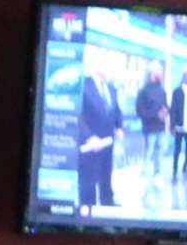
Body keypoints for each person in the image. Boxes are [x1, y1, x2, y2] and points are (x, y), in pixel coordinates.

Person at [73, 56, 124, 210]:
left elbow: (116, 110)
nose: (109, 70)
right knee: (88, 178)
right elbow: (76, 114)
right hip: (90, 144)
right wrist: (88, 137)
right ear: (96, 67)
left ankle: (107, 201)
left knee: (106, 173)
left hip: (108, 141)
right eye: (107, 66)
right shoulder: (83, 85)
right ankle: (88, 209)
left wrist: (119, 126)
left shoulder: (111, 88)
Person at [132, 66, 171, 207]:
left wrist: (166, 111)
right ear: (152, 74)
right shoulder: (143, 91)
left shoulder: (162, 90)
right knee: (148, 154)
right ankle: (144, 177)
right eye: (158, 72)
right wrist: (154, 114)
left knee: (158, 154)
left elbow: (166, 106)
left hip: (161, 128)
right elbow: (139, 110)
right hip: (149, 128)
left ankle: (157, 175)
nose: (160, 74)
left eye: (161, 72)